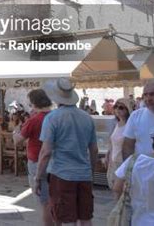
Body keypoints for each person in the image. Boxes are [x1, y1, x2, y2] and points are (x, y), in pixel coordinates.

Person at [36, 79, 97, 226]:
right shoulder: (87, 118)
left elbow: (46, 152)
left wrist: (38, 177)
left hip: (62, 174)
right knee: (85, 217)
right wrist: (91, 172)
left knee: (64, 218)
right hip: (83, 174)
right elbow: (93, 150)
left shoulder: (52, 118)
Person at [18, 89, 53, 226]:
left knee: (44, 202)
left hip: (38, 162)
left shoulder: (34, 120)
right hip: (55, 162)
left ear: (34, 103)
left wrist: (17, 130)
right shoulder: (54, 116)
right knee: (53, 199)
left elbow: (18, 140)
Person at [104, 98, 130, 190]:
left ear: (128, 109)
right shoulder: (116, 124)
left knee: (120, 189)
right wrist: (107, 155)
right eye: (116, 107)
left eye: (121, 107)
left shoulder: (130, 125)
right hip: (113, 161)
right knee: (113, 187)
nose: (118, 110)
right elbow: (111, 142)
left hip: (123, 162)